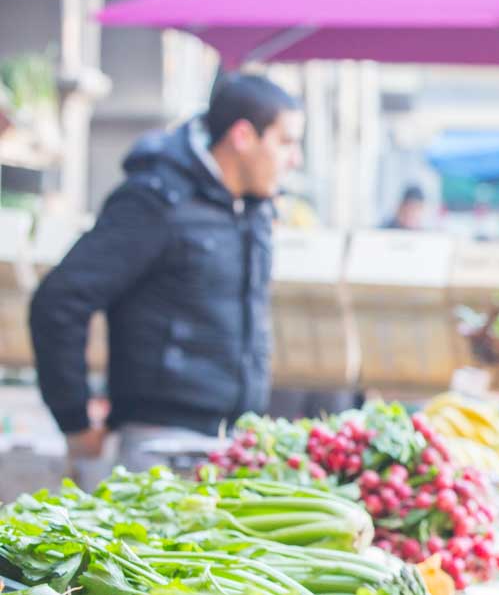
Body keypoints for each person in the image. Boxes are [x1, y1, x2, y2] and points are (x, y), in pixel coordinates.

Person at [30, 73, 303, 483]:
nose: (294, 159)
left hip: (235, 444)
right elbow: (60, 301)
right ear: (243, 136)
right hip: (160, 449)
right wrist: (76, 421)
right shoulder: (155, 200)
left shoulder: (254, 211)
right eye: (285, 142)